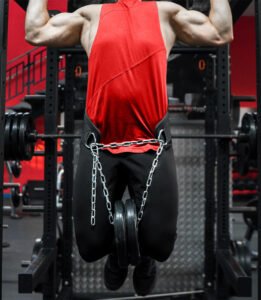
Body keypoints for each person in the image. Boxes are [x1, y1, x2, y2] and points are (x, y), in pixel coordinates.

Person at [25, 0, 233, 296]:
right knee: (90, 245)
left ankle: (143, 258)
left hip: (151, 144)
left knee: (159, 245)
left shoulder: (166, 12)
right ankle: (118, 252)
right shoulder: (91, 16)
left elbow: (219, 32)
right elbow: (36, 31)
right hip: (100, 146)